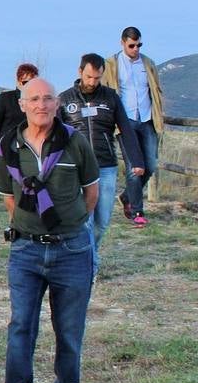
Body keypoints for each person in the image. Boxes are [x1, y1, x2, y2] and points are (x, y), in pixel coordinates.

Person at [0, 78, 99, 383]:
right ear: (22, 105)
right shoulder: (10, 144)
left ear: (57, 104)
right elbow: (9, 197)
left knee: (69, 327)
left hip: (72, 249)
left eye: (47, 98)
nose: (41, 104)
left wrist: (68, 222)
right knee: (21, 324)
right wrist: (32, 225)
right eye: (34, 99)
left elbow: (91, 193)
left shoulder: (75, 143)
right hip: (26, 250)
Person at [59, 55, 144, 252]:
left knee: (102, 221)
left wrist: (136, 160)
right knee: (85, 222)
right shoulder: (64, 100)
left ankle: (90, 253)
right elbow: (56, 136)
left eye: (97, 78)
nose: (92, 82)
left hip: (106, 167)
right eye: (89, 77)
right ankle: (89, 263)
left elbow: (126, 129)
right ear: (80, 72)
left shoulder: (111, 97)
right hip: (78, 168)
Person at [102, 26, 164, 226]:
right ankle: (137, 211)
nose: (135, 49)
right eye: (131, 45)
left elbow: (155, 91)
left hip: (146, 118)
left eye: (139, 45)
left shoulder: (148, 64)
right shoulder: (111, 65)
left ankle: (127, 196)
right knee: (133, 167)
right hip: (124, 120)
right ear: (122, 43)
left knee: (151, 164)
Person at [0, 63, 39, 160]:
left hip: (31, 147)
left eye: (33, 83)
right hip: (7, 146)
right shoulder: (5, 98)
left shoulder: (40, 102)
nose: (30, 86)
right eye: (25, 82)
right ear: (18, 81)